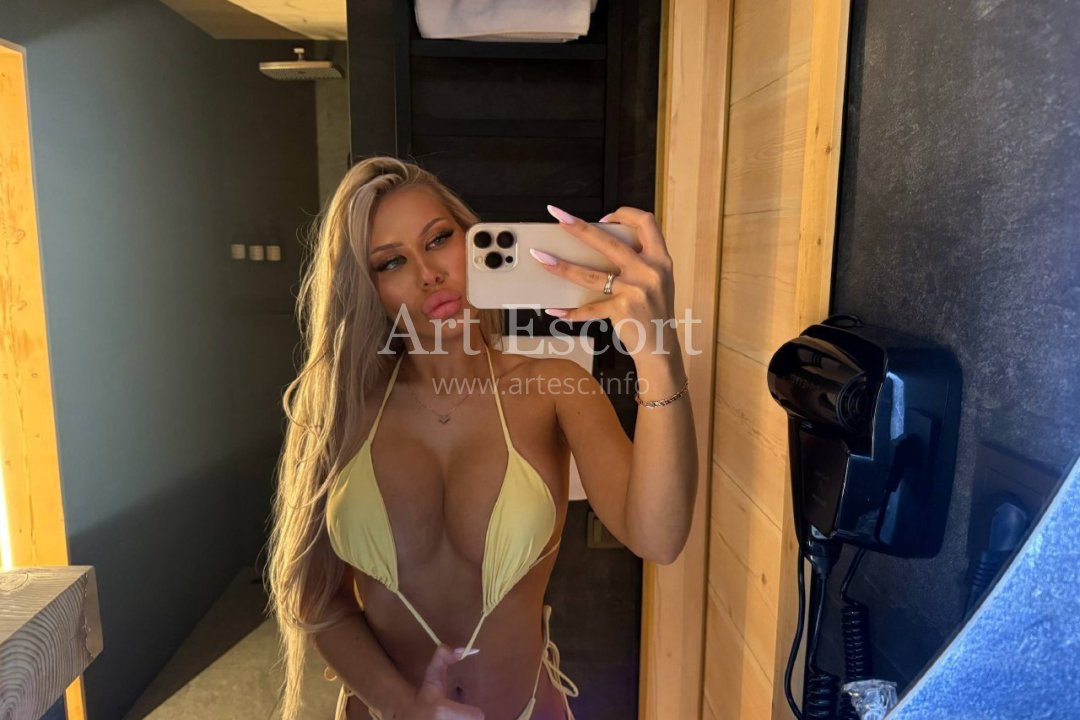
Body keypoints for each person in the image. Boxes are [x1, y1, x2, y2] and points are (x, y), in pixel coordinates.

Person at [266, 156, 697, 720]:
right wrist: (402, 707)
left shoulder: (555, 387)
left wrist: (657, 349)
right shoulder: (339, 408)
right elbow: (316, 595)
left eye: (438, 239)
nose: (428, 273)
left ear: (472, 241)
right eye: (391, 261)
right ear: (366, 288)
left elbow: (659, 538)